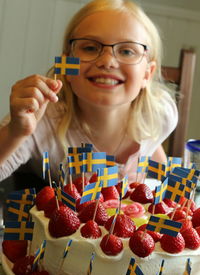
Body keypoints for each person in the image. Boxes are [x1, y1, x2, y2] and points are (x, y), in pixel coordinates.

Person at [0, 0, 178, 185]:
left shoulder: (161, 113)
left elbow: (152, 146)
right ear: (66, 66)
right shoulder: (39, 120)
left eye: (126, 51)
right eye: (90, 48)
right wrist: (15, 132)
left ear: (147, 74)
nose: (107, 61)